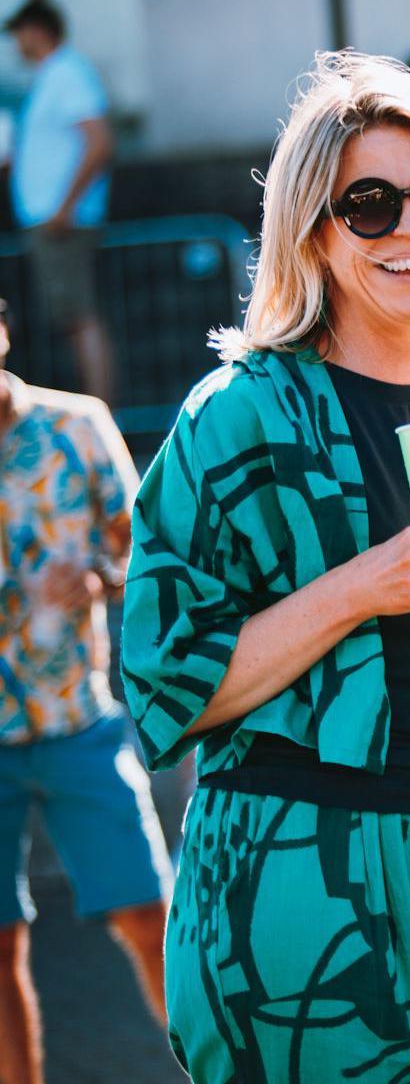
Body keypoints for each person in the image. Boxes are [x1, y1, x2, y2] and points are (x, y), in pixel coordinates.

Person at [119, 52, 410, 1081]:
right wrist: (369, 585)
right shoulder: (238, 417)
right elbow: (165, 683)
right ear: (315, 235)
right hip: (299, 875)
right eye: (368, 205)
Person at [0, 300, 168, 1084]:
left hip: (78, 718)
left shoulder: (77, 426)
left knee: (147, 916)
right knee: (0, 946)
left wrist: (98, 580)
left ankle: (209, 1068)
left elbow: (153, 556)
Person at [5, 0, 113, 402]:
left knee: (80, 318)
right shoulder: (54, 76)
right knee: (73, 319)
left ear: (36, 30)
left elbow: (99, 142)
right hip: (55, 219)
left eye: (18, 31)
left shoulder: (67, 73)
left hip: (62, 221)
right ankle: (97, 414)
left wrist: (65, 207)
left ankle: (99, 417)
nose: (16, 41)